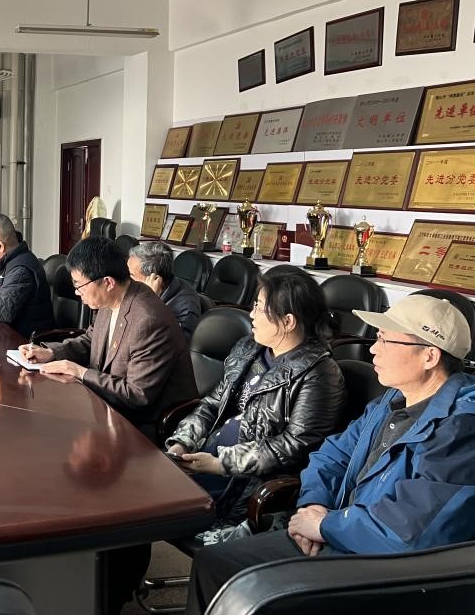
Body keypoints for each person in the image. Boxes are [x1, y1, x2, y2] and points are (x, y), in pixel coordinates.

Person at [187, 295, 475, 615]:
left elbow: (407, 532)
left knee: (254, 592)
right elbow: (331, 455)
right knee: (215, 563)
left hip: (391, 568)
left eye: (385, 340)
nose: (373, 349)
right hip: (342, 533)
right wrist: (313, 505)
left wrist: (325, 525)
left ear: (429, 356)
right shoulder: (393, 399)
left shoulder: (462, 428)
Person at [166, 270, 346, 530]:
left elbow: (293, 446)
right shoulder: (249, 348)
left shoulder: (319, 374)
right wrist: (182, 443)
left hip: (245, 482)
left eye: (260, 308)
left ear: (288, 321)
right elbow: (213, 403)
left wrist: (221, 464)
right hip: (207, 457)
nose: (252, 315)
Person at [19, 237, 197, 436]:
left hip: (144, 425)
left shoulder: (149, 321)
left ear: (108, 282)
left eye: (80, 285)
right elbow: (91, 339)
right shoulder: (112, 298)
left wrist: (80, 372)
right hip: (105, 405)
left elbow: (136, 395)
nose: (77, 293)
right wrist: (52, 352)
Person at [128, 241, 203, 340]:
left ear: (155, 279)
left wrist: (150, 301)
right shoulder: (137, 290)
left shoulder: (186, 309)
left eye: (131, 275)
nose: (126, 279)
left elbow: (169, 344)